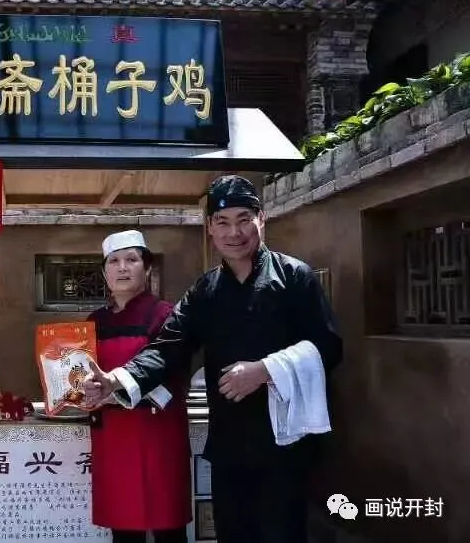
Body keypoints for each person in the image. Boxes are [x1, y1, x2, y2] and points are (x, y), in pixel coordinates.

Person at [83, 175, 343, 543]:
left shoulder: (294, 277)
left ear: (261, 219)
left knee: (282, 533)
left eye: (243, 219)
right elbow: (168, 346)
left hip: (285, 442)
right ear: (209, 227)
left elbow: (328, 345)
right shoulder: (206, 291)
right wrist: (118, 379)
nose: (233, 232)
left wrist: (266, 370)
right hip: (230, 443)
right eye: (222, 222)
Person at [87, 230, 191, 543]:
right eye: (114, 261)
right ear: (104, 272)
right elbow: (79, 374)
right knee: (123, 529)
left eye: (131, 260)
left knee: (167, 527)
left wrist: (117, 393)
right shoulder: (94, 322)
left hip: (158, 434)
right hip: (113, 437)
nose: (122, 268)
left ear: (147, 269)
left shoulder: (166, 315)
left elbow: (174, 377)